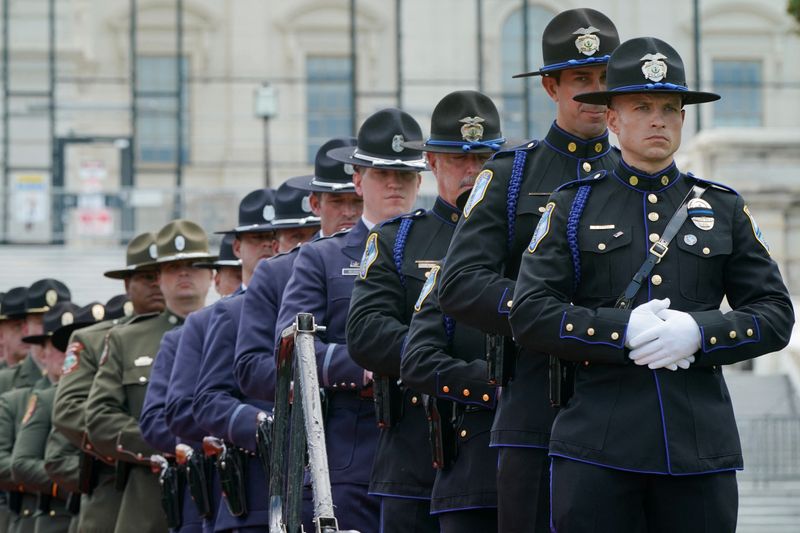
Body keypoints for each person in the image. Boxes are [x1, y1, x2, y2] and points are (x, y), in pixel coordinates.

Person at [509, 36, 794, 532]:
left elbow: (775, 313)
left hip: (698, 452)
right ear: (614, 120)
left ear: (684, 119)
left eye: (669, 107)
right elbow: (530, 311)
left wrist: (701, 333)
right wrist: (620, 332)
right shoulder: (573, 204)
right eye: (641, 106)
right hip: (597, 449)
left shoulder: (722, 207)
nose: (658, 119)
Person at [437, 8, 620, 532]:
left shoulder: (636, 177)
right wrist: (552, 315)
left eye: (606, 80)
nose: (594, 92)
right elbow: (460, 283)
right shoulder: (511, 174)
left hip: (619, 409)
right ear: (550, 86)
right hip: (535, 406)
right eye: (581, 80)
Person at [346, 90, 505, 531]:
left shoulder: (521, 242)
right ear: (432, 163)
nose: (471, 172)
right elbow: (366, 334)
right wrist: (453, 365)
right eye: (457, 160)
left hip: (497, 452)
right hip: (416, 453)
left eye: (483, 159)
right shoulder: (398, 240)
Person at [275, 108, 424, 533]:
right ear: (358, 181)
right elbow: (290, 350)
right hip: (353, 450)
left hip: (431, 447)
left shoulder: (448, 249)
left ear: (421, 178)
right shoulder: (321, 258)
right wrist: (362, 365)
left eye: (404, 173)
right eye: (381, 173)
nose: (394, 183)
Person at [144, 190, 274, 533]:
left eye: (275, 238)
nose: (270, 247)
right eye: (258, 238)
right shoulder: (200, 327)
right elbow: (173, 413)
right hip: (224, 484)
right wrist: (248, 426)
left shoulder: (300, 308)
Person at [191, 184, 318, 532]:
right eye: (295, 238)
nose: (304, 248)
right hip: (261, 492)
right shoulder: (233, 313)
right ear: (277, 246)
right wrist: (261, 424)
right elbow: (208, 400)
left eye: (312, 235)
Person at [85, 220, 214, 533]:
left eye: (193, 265)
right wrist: (171, 444)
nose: (184, 273)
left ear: (211, 274)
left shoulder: (234, 330)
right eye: (173, 267)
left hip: (220, 491)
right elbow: (100, 419)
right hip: (150, 499)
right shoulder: (125, 340)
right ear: (159, 278)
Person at [51, 233, 163, 533]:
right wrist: (147, 442)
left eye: (162, 274)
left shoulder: (201, 330)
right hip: (116, 481)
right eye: (147, 276)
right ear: (127, 285)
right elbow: (69, 411)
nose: (156, 283)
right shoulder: (94, 340)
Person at [13, 302, 102, 533]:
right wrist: (90, 480)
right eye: (62, 347)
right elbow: (22, 463)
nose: (69, 355)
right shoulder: (46, 398)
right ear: (43, 351)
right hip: (57, 515)